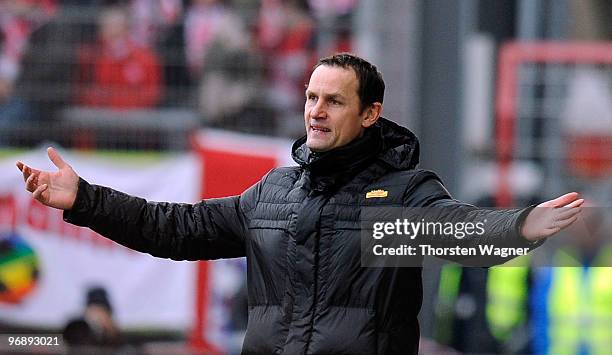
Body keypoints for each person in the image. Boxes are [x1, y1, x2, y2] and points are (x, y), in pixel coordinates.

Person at [16, 53, 583, 354]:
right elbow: (175, 230)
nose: (316, 110)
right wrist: (85, 200)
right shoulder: (273, 192)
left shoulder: (401, 198)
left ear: (370, 114)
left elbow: (461, 232)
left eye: (334, 101)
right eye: (311, 97)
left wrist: (521, 226)